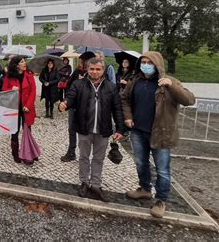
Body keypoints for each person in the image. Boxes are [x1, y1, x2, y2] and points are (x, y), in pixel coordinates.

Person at [121, 51, 195, 218]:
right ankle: (145, 189)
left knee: (162, 169)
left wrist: (171, 85)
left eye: (149, 62)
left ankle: (161, 200)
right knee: (141, 163)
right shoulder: (136, 81)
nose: (145, 65)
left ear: (157, 64)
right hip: (138, 130)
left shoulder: (168, 82)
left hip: (161, 133)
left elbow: (189, 100)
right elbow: (124, 98)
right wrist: (128, 117)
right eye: (143, 61)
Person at [59, 58, 124, 202]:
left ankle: (96, 185)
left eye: (98, 69)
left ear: (103, 70)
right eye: (92, 69)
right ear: (87, 69)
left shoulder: (111, 87)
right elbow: (71, 97)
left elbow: (117, 109)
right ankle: (84, 182)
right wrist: (64, 104)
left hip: (103, 129)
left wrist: (120, 128)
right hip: (84, 128)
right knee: (83, 157)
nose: (95, 72)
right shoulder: (78, 84)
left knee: (98, 158)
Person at [2, 56, 36, 165]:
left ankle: (28, 154)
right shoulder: (10, 76)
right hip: (15, 108)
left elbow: (33, 92)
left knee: (27, 131)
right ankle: (15, 153)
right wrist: (11, 89)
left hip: (26, 109)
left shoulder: (29, 75)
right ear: (17, 65)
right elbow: (3, 90)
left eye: (24, 61)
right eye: (22, 62)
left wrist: (28, 105)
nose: (25, 63)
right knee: (15, 131)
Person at [60, 52, 94, 162]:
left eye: (84, 61)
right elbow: (69, 85)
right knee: (72, 129)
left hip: (87, 107)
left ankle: (85, 154)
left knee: (85, 131)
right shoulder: (77, 71)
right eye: (83, 61)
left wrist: (86, 81)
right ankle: (71, 152)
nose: (83, 63)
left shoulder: (95, 74)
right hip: (74, 105)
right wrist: (78, 81)